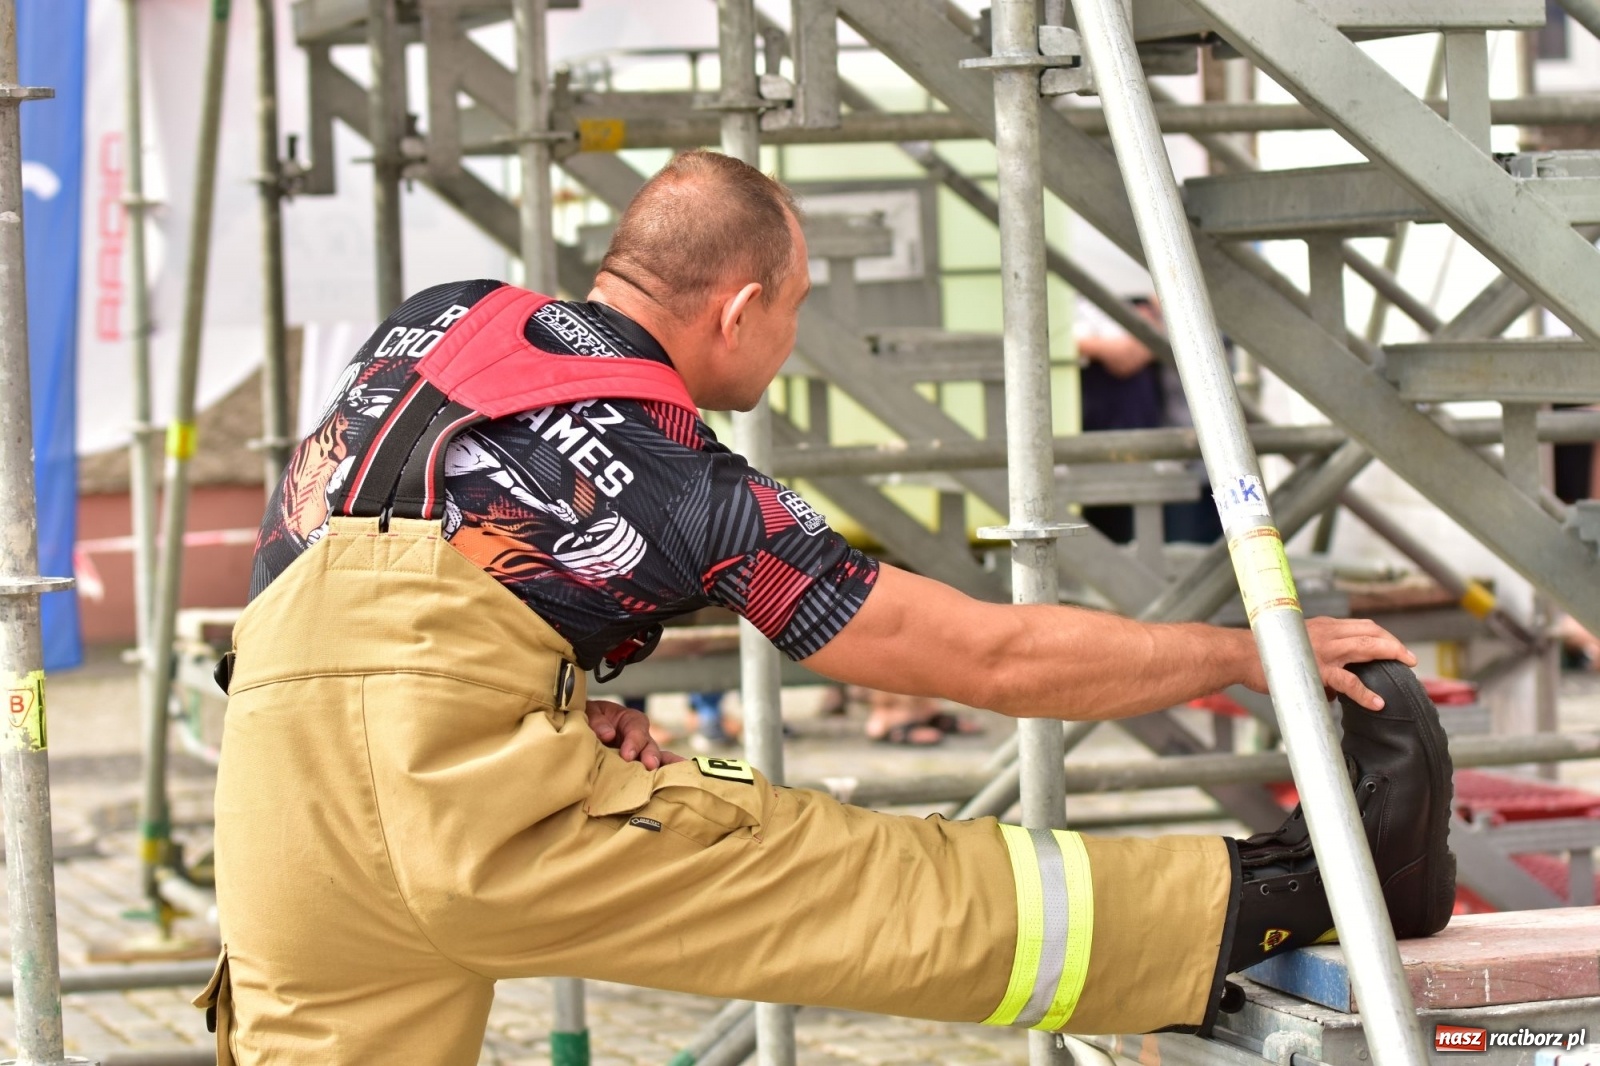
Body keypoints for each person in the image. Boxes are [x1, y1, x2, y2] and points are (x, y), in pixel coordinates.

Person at [201, 150, 1454, 1064]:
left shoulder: (438, 321)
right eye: (794, 312)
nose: (788, 345)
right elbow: (992, 657)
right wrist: (1243, 653)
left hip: (278, 796)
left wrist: (553, 707)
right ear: (739, 308)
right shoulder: (690, 486)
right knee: (852, 878)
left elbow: (344, 566)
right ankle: (1278, 891)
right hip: (467, 810)